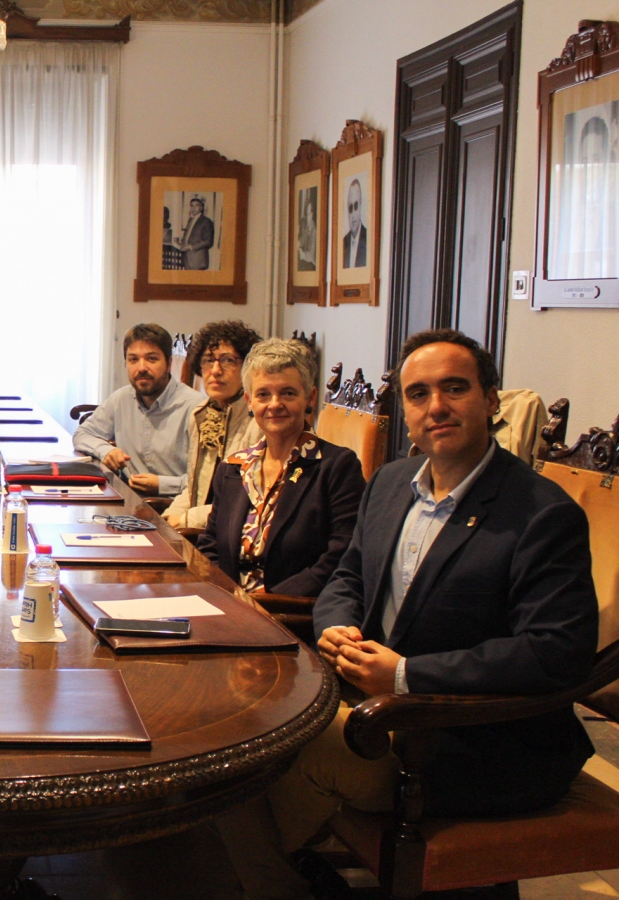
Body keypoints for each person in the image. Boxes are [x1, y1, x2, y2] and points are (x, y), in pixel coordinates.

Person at [216, 329, 598, 900]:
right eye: (418, 394)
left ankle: (262, 877)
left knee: (247, 752)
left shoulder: (541, 515)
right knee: (236, 740)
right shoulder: (393, 482)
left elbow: (554, 651)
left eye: (455, 389)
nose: (436, 407)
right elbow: (346, 574)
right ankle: (273, 878)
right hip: (373, 704)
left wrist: (405, 676)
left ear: (492, 400)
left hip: (470, 741)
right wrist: (336, 625)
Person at [196, 338, 365, 597]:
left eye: (287, 393)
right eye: (263, 394)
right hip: (230, 605)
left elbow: (342, 556)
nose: (274, 404)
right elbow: (210, 545)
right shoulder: (233, 468)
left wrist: (268, 602)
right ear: (249, 401)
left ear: (309, 397)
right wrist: (227, 596)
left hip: (290, 612)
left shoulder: (337, 467)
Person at [73, 323, 204, 497]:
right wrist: (107, 451)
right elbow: (83, 434)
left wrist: (162, 484)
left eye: (152, 359)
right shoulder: (121, 399)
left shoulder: (196, 407)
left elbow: (207, 481)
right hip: (128, 502)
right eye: (133, 359)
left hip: (175, 510)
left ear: (169, 363)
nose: (141, 368)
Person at [165, 320, 264, 531]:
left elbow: (246, 500)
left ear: (248, 366)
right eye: (208, 360)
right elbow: (194, 489)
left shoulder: (259, 422)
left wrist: (186, 520)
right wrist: (167, 519)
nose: (216, 370)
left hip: (234, 533)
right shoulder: (201, 414)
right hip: (202, 530)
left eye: (228, 361)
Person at [176, 196, 215, 270]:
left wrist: (190, 247)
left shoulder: (206, 221)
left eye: (196, 205)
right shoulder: (190, 220)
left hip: (198, 260)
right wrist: (181, 242)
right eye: (192, 205)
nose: (193, 208)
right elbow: (190, 237)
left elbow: (208, 241)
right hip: (187, 257)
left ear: (201, 208)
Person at [342, 178, 367, 269]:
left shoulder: (368, 239)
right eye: (350, 208)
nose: (352, 214)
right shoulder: (343, 243)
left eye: (356, 206)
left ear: (360, 205)